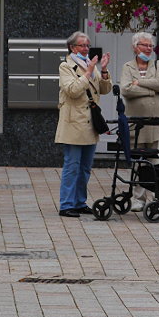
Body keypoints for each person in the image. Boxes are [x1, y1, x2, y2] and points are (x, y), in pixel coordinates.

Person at [55, 32, 112, 217]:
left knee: (85, 167)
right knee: (72, 166)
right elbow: (72, 90)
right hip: (74, 123)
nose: (86, 48)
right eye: (82, 46)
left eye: (87, 45)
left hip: (90, 123)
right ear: (72, 48)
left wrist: (103, 70)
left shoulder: (90, 65)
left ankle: (79, 202)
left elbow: (104, 90)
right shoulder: (66, 66)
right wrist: (88, 72)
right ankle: (66, 205)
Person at [120, 32, 159, 212]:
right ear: (135, 47)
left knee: (156, 160)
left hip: (157, 122)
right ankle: (138, 198)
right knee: (139, 162)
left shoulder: (158, 65)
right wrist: (151, 89)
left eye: (150, 46)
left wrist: (139, 82)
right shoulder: (128, 67)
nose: (149, 49)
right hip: (136, 123)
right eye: (145, 45)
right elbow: (126, 90)